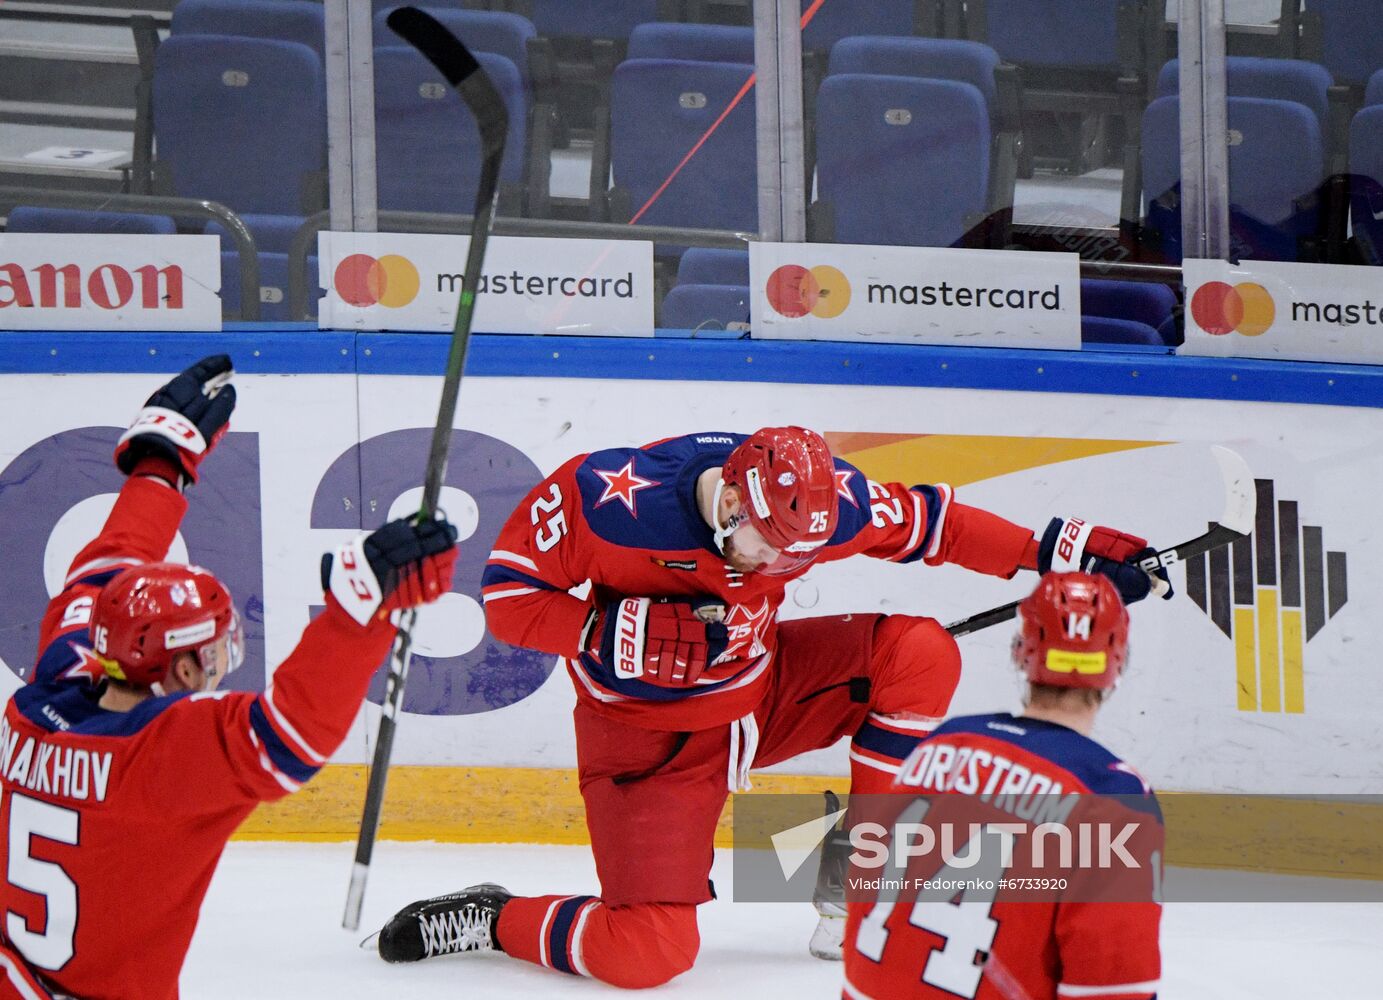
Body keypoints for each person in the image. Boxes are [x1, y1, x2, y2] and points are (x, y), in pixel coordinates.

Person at [370, 426, 1166, 989]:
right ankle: (492, 918)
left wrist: (1071, 550)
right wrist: (604, 628)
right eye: (770, 547)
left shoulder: (823, 508)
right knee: (646, 953)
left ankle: (866, 862)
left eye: (802, 551)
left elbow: (936, 523)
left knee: (920, 650)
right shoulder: (604, 498)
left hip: (760, 690)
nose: (786, 565)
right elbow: (507, 599)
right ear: (732, 505)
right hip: (649, 739)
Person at [0, 356, 459, 1000]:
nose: (220, 664)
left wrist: (160, 467)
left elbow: (104, 572)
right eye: (211, 654)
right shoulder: (160, 755)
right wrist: (361, 616)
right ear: (181, 667)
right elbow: (289, 739)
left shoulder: (41, 698)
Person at [841, 572, 1163, 1000]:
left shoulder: (941, 746)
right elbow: (1114, 986)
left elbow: (865, 887)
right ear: (1118, 663)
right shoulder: (1113, 797)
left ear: (1019, 653)